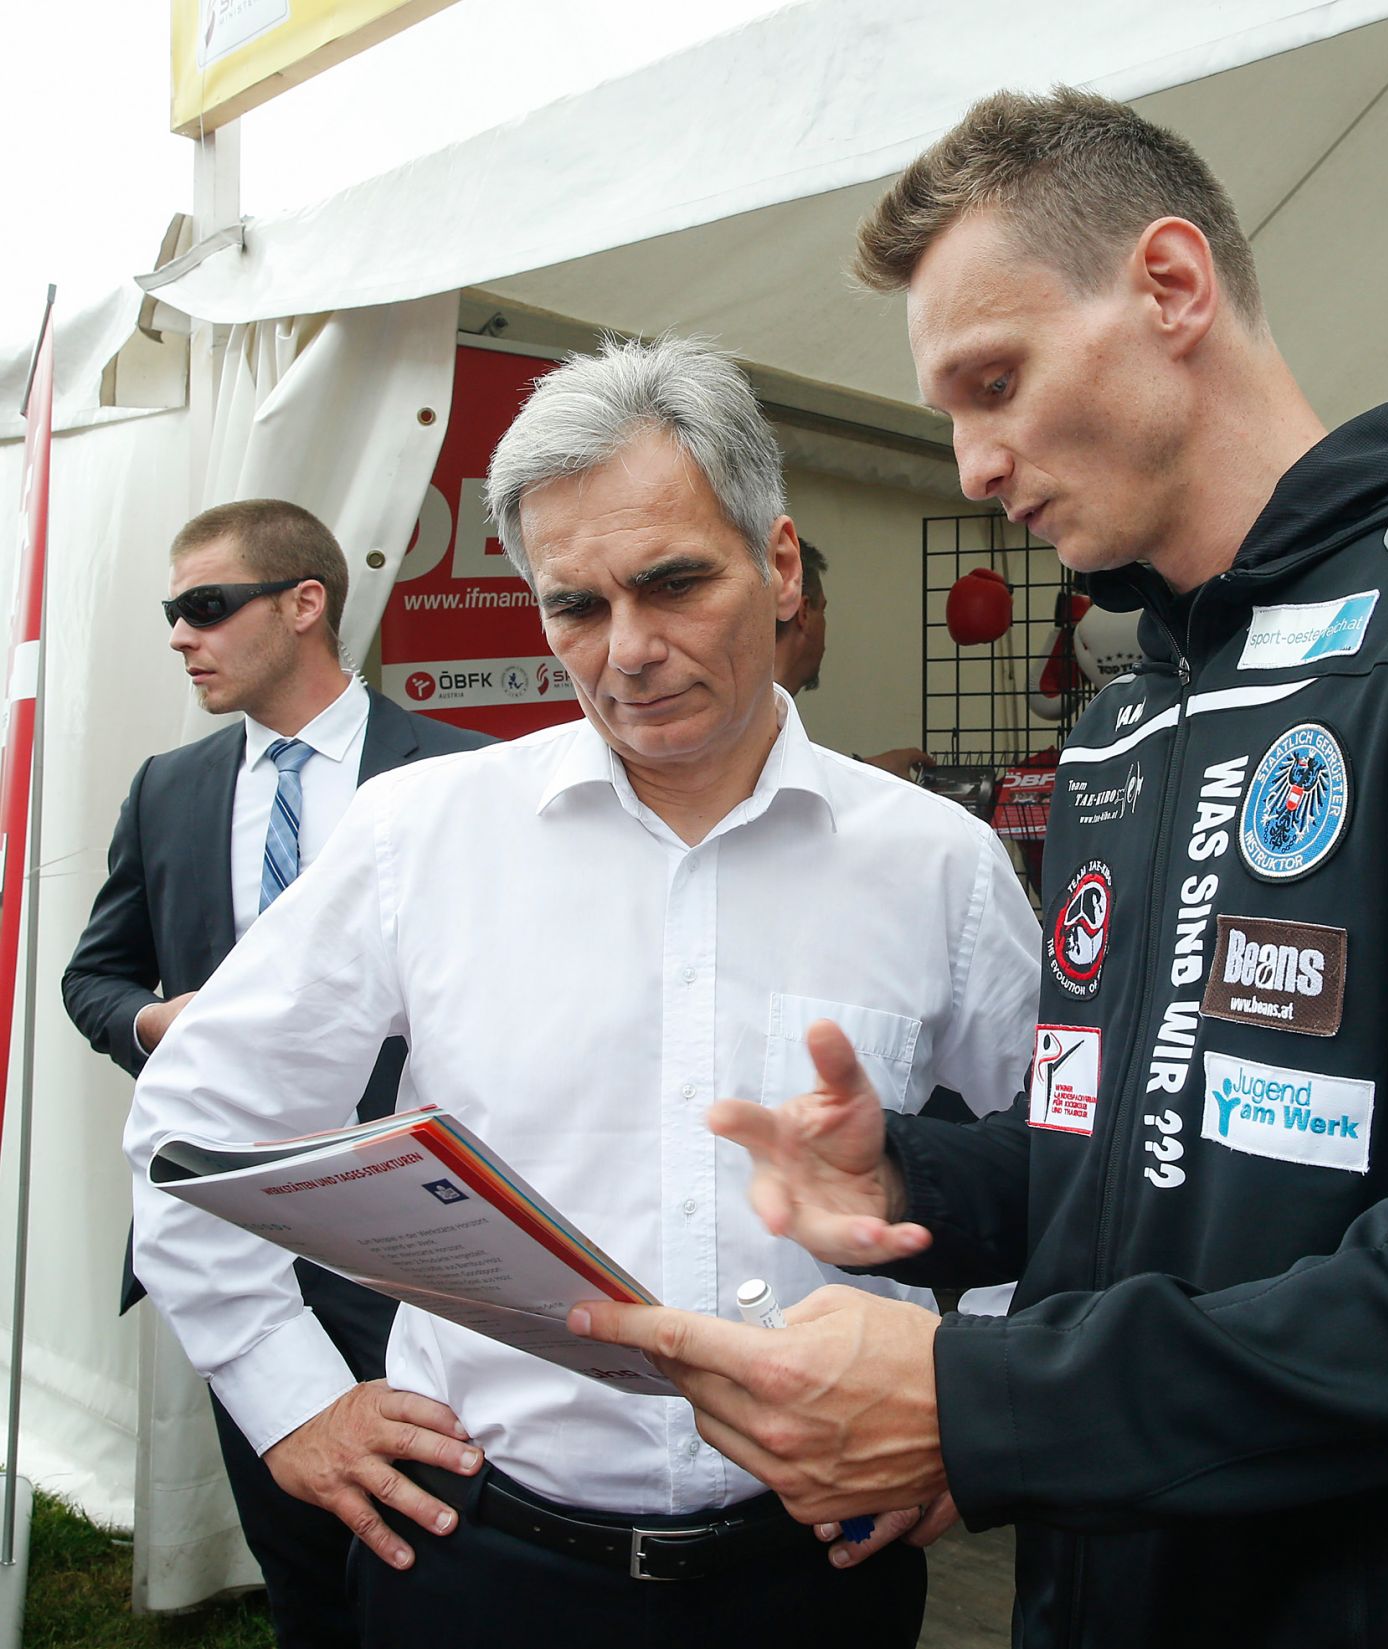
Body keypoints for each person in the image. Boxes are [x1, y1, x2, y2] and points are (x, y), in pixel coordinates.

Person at [573, 89, 1388, 1649]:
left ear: (1171, 287)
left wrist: (991, 1409)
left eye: (995, 380)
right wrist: (923, 1173)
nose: (970, 465)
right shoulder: (1124, 723)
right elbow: (1153, 1164)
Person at [122, 337, 1041, 1649]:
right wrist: (292, 1400)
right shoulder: (423, 834)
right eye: (578, 607)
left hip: (819, 1574)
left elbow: (1075, 1158)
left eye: (676, 583)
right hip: (482, 1563)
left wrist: (972, 1411)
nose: (632, 651)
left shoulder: (934, 861)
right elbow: (194, 1119)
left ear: (778, 566)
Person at [63, 499, 489, 1649]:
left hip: (421, 1237)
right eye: (171, 612)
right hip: (240, 1235)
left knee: (434, 1552)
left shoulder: (460, 777)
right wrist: (163, 1023)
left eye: (204, 606)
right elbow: (92, 978)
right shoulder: (171, 788)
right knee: (300, 1565)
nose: (179, 635)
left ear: (306, 603)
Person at [775, 538, 934, 781]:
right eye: (823, 610)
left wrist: (867, 770)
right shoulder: (760, 721)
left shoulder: (756, 718)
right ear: (804, 612)